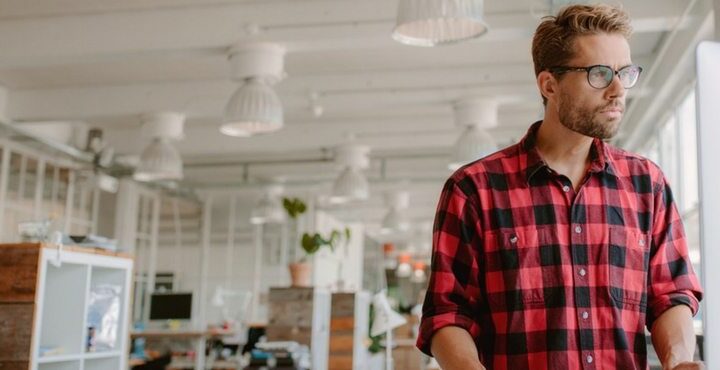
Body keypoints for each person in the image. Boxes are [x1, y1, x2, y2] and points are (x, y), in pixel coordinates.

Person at [416, 4, 703, 370]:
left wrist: (678, 362)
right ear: (549, 84)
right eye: (599, 74)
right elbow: (448, 311)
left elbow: (671, 293)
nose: (618, 90)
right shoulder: (474, 189)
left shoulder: (648, 185)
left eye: (624, 72)